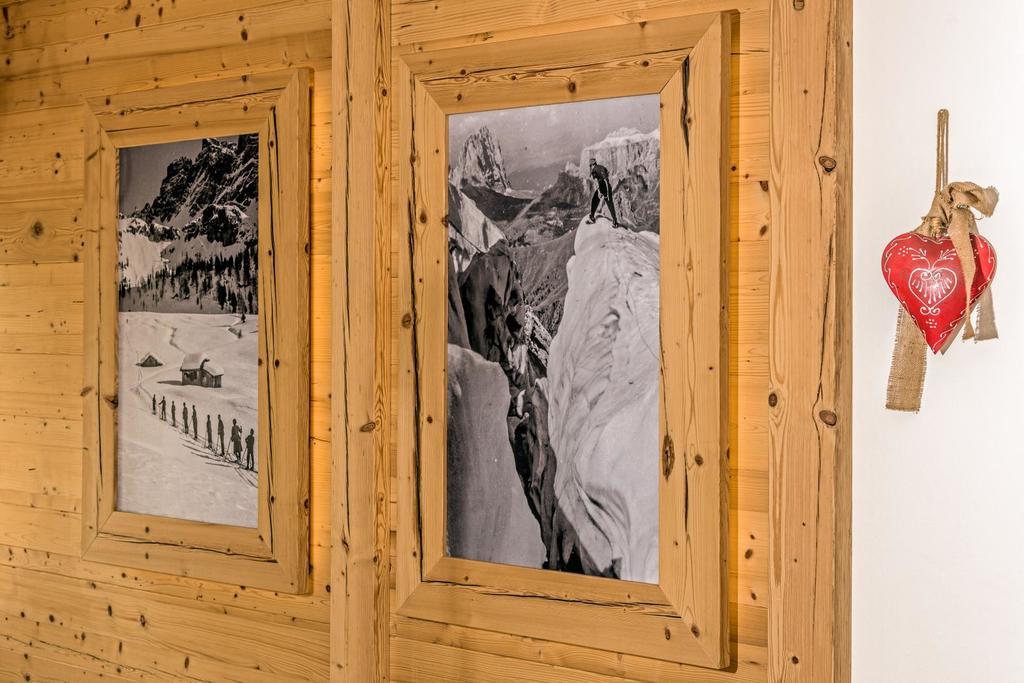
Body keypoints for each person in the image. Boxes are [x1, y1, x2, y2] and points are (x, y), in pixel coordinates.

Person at [585, 157, 619, 227]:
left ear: (592, 165)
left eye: (590, 166)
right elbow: (607, 173)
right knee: (609, 203)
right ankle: (614, 221)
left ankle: (592, 217)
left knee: (596, 200)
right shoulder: (601, 167)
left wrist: (599, 191)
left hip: (602, 185)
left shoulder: (594, 170)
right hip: (606, 184)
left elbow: (596, 181)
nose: (590, 167)